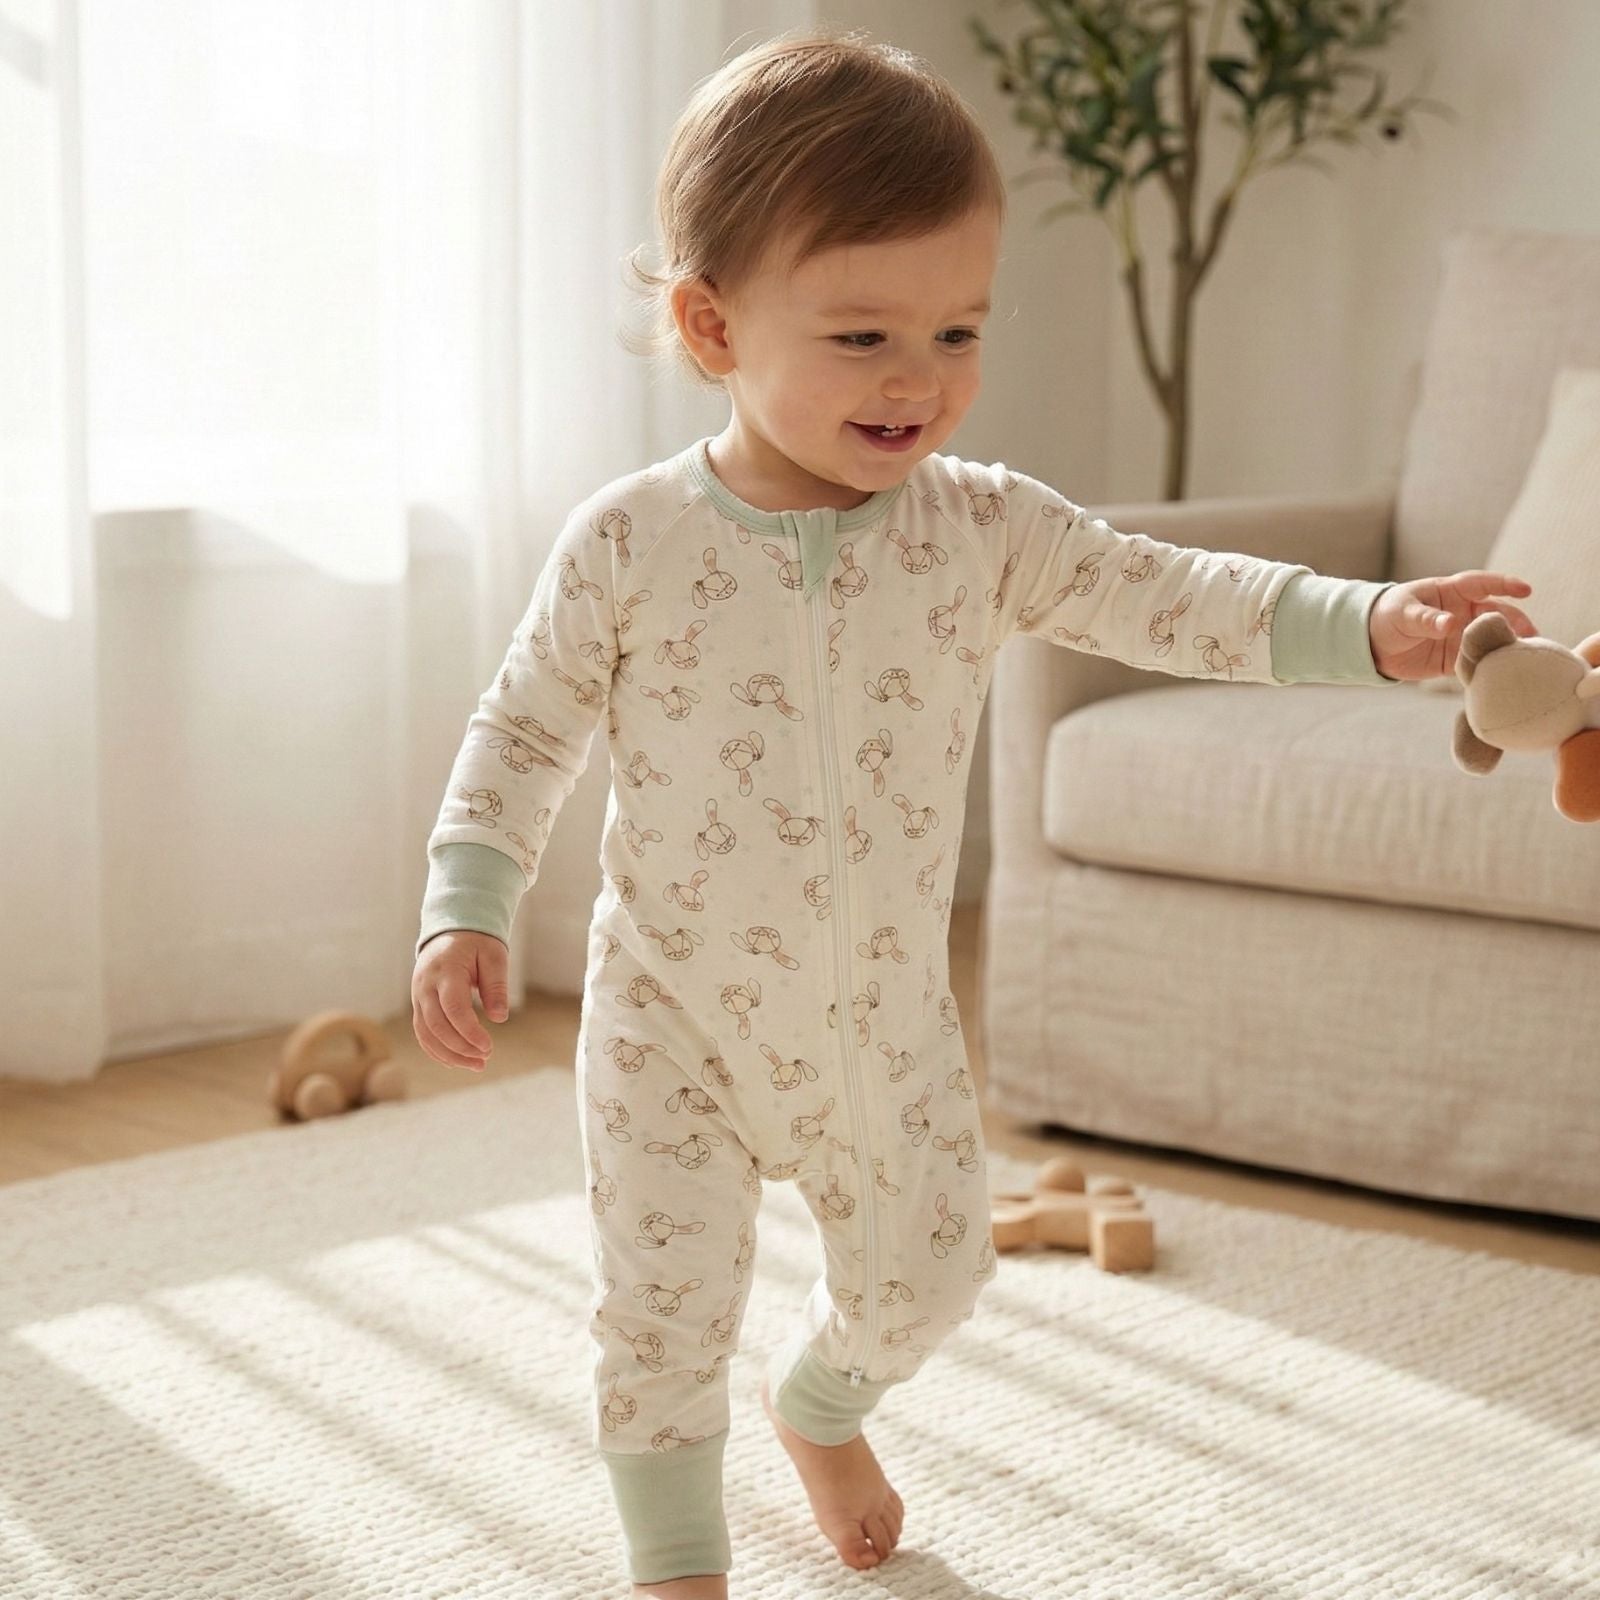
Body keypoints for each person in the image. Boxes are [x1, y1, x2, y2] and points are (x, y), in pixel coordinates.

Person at [410, 26, 1536, 1598]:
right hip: (670, 1013)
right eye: (865, 336)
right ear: (710, 323)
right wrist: (468, 896)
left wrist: (1375, 625)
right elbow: (523, 727)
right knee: (661, 1309)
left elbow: (1174, 597)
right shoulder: (632, 544)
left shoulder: (980, 531)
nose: (921, 380)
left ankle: (821, 1407)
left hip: (878, 1014)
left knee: (933, 1279)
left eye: (957, 329)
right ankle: (678, 1562)